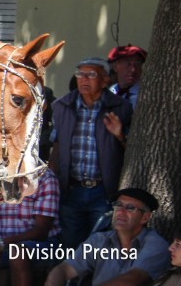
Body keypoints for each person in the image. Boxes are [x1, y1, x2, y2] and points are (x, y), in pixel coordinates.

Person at [34, 188, 171, 286]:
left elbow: (131, 281)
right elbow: (63, 269)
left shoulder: (155, 244)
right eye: (118, 205)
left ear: (145, 217)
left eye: (130, 208)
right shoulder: (100, 240)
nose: (121, 211)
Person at [49, 57, 133, 248]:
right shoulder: (62, 106)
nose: (84, 79)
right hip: (71, 190)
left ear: (105, 80)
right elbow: (57, 148)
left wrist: (119, 135)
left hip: (104, 191)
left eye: (91, 74)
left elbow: (134, 153)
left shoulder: (121, 108)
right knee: (70, 247)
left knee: (101, 248)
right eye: (80, 74)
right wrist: (54, 185)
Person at [107, 45, 147, 109]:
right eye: (128, 64)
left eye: (138, 64)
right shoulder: (111, 92)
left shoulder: (145, 94)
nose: (133, 69)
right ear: (115, 67)